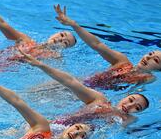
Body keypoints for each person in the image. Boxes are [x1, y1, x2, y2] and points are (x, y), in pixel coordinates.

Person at [16, 47, 150, 126]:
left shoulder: (125, 120)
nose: (130, 106)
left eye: (137, 108)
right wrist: (41, 65)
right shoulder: (100, 100)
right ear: (126, 96)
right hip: (56, 126)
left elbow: (129, 123)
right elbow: (70, 82)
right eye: (131, 100)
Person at [54, 4, 158, 90]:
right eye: (150, 54)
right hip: (79, 83)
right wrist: (74, 25)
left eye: (156, 60)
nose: (148, 58)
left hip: (86, 95)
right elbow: (97, 44)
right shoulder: (122, 61)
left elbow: (135, 93)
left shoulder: (147, 78)